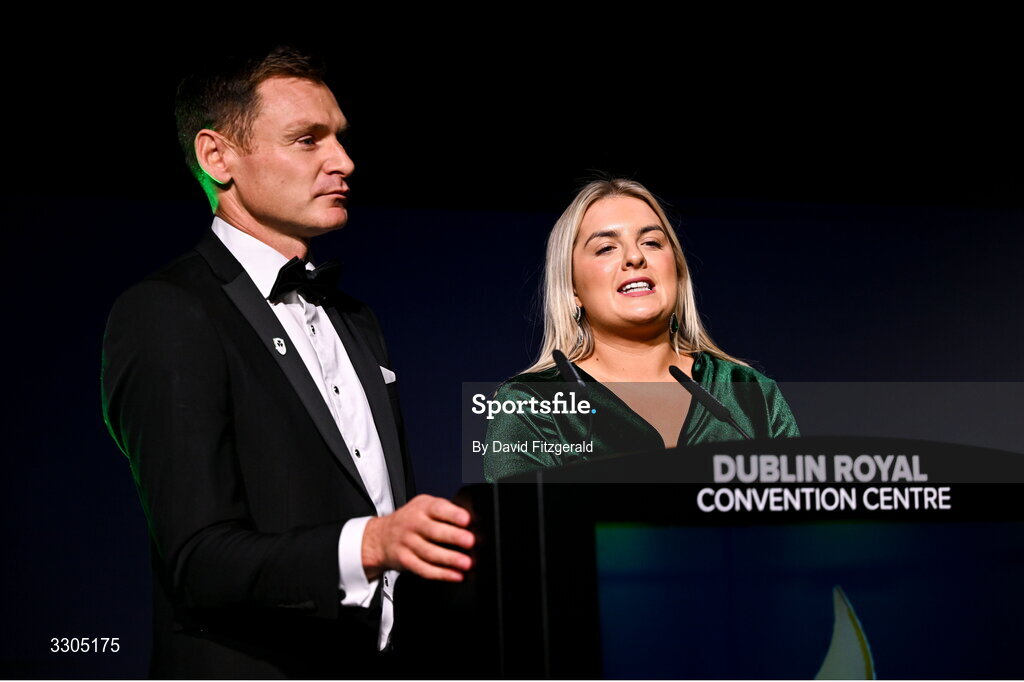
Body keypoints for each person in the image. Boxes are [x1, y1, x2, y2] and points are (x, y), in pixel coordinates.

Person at [101, 46, 473, 678]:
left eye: (341, 138)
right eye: (307, 140)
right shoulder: (165, 312)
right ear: (217, 157)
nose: (344, 161)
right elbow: (197, 560)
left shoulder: (356, 319)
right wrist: (373, 543)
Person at [484, 178, 799, 482]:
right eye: (606, 248)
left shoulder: (749, 392)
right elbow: (520, 530)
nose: (635, 257)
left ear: (675, 272)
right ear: (572, 288)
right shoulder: (532, 404)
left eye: (651, 242)